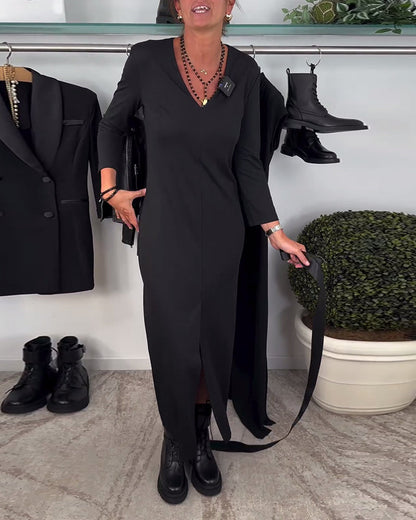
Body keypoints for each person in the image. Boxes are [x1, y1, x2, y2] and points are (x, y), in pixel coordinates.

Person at [97, 0, 309, 505]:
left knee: (213, 334)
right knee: (173, 335)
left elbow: (247, 160)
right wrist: (110, 190)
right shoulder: (146, 58)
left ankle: (199, 433)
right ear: (176, 3)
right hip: (165, 223)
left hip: (223, 227)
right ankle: (175, 437)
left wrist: (274, 231)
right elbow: (111, 125)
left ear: (230, 5)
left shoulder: (245, 70)